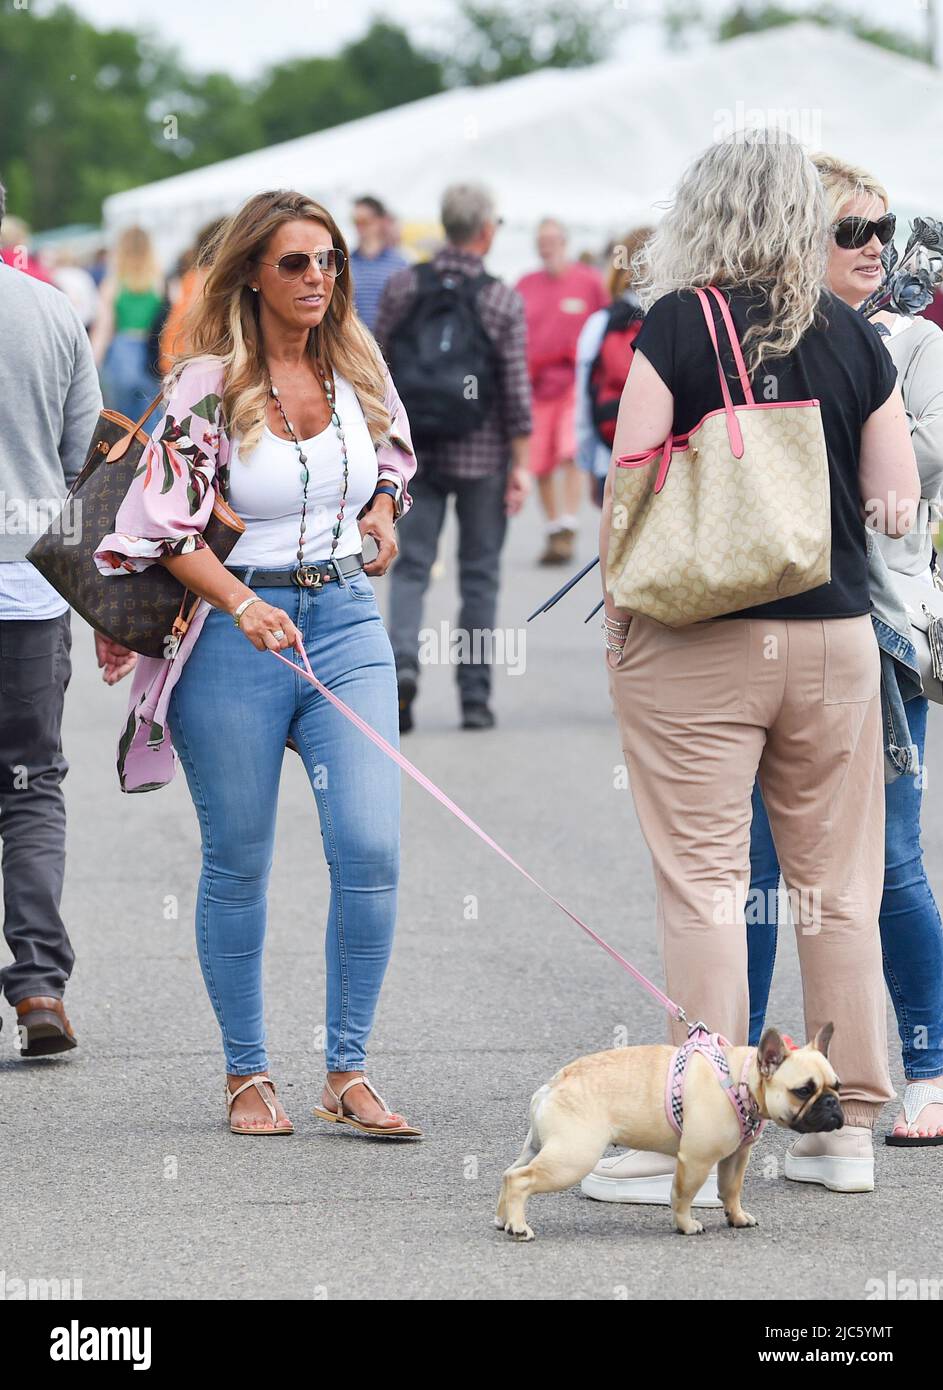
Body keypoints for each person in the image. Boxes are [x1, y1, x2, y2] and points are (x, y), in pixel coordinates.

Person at [588, 132, 919, 1209]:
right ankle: (845, 1123)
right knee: (838, 890)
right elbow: (894, 504)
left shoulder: (680, 322)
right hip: (831, 644)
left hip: (699, 642)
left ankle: (697, 1123)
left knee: (707, 886)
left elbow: (628, 485)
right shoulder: (852, 336)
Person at [92, 190, 421, 1138]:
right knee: (238, 862)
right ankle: (246, 1073)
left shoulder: (357, 364)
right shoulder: (206, 385)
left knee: (370, 850)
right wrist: (241, 604)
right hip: (233, 632)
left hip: (348, 623)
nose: (319, 278)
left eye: (330, 261)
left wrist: (380, 516)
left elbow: (394, 456)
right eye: (296, 263)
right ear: (250, 274)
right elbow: (155, 527)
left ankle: (346, 1068)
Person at [747, 154, 943, 1152]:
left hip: (878, 629)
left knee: (888, 861)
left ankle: (927, 1065)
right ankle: (730, 1079)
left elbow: (913, 477)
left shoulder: (907, 342)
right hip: (754, 627)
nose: (874, 247)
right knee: (748, 868)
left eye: (882, 227)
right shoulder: (746, 338)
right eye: (849, 231)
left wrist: (844, 390)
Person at [0, 175, 135, 1056]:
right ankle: (39, 983)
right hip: (28, 584)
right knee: (31, 784)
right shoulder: (50, 312)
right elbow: (92, 463)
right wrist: (106, 604)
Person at [374, 183, 532, 733]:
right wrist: (523, 464)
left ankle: (402, 672)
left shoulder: (402, 285)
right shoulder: (500, 298)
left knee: (412, 568)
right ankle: (474, 697)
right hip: (482, 457)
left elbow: (377, 371)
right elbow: (515, 390)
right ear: (486, 231)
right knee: (480, 575)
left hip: (414, 453)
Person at [516, 218, 607, 565]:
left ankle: (568, 522)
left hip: (575, 383)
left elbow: (607, 325)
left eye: (552, 239)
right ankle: (555, 527)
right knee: (539, 462)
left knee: (569, 451)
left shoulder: (588, 282)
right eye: (541, 240)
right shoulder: (525, 285)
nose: (547, 246)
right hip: (535, 386)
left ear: (565, 242)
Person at [574, 227, 652, 508]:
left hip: (610, 455)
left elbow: (584, 395)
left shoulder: (601, 322)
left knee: (615, 544)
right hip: (666, 460)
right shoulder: (678, 318)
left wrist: (588, 459)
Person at [91, 226, 165, 422]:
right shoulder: (159, 282)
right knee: (151, 419)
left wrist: (90, 363)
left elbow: (103, 330)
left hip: (121, 353)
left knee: (124, 422)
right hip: (153, 353)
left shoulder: (113, 283)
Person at [158, 217, 229, 374]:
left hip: (181, 364)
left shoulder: (193, 278)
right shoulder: (211, 280)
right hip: (199, 368)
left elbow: (175, 326)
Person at [348, 196, 409, 333]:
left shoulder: (401, 264)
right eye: (355, 222)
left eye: (364, 221)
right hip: (355, 347)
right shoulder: (346, 263)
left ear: (380, 221)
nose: (359, 227)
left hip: (390, 348)